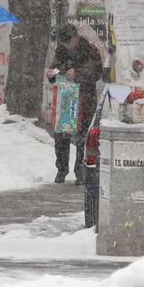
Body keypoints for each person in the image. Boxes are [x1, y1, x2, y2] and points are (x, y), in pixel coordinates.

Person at [47, 23, 103, 184]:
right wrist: (52, 73)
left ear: (76, 38)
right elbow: (56, 68)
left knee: (83, 137)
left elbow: (96, 72)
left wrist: (78, 73)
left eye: (69, 42)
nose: (67, 46)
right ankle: (61, 169)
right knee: (61, 135)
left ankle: (81, 171)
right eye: (64, 43)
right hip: (66, 99)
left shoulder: (90, 50)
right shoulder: (61, 50)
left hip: (85, 98)